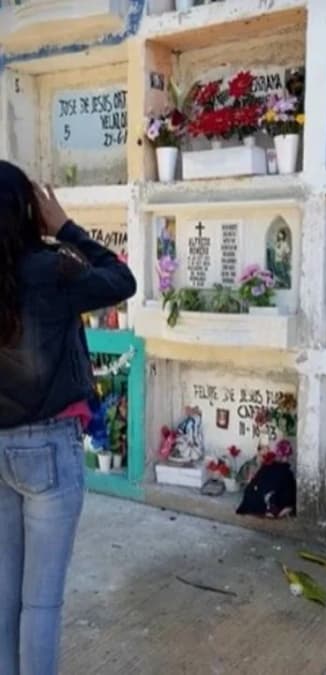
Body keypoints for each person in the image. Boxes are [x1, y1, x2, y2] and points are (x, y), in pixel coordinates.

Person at [0, 161, 136, 673]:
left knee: (5, 597)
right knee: (40, 603)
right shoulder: (52, 268)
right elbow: (121, 278)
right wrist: (65, 227)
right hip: (46, 450)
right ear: (28, 211)